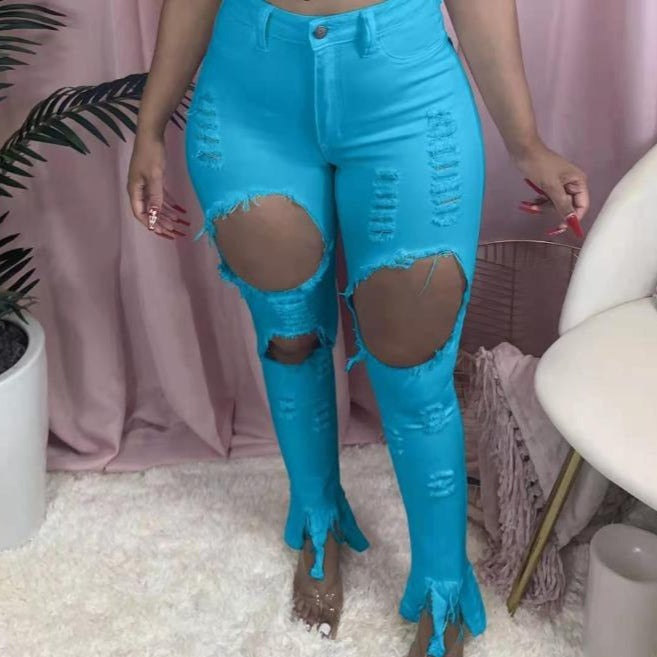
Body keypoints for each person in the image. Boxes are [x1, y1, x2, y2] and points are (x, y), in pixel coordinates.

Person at [127, 0, 590, 654]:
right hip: (248, 101)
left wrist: (526, 142)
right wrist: (149, 124)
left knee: (416, 366)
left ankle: (442, 583)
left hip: (406, 100)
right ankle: (318, 521)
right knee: (289, 336)